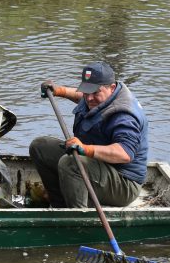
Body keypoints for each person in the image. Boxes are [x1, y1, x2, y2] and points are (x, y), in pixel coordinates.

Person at [30, 62, 148, 208]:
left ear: (111, 88)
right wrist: (59, 90)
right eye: (86, 91)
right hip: (99, 166)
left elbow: (124, 153)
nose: (89, 98)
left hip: (123, 183)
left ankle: (78, 216)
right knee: (40, 146)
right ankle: (59, 204)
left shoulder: (124, 115)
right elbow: (82, 96)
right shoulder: (100, 96)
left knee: (71, 163)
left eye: (95, 92)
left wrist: (86, 149)